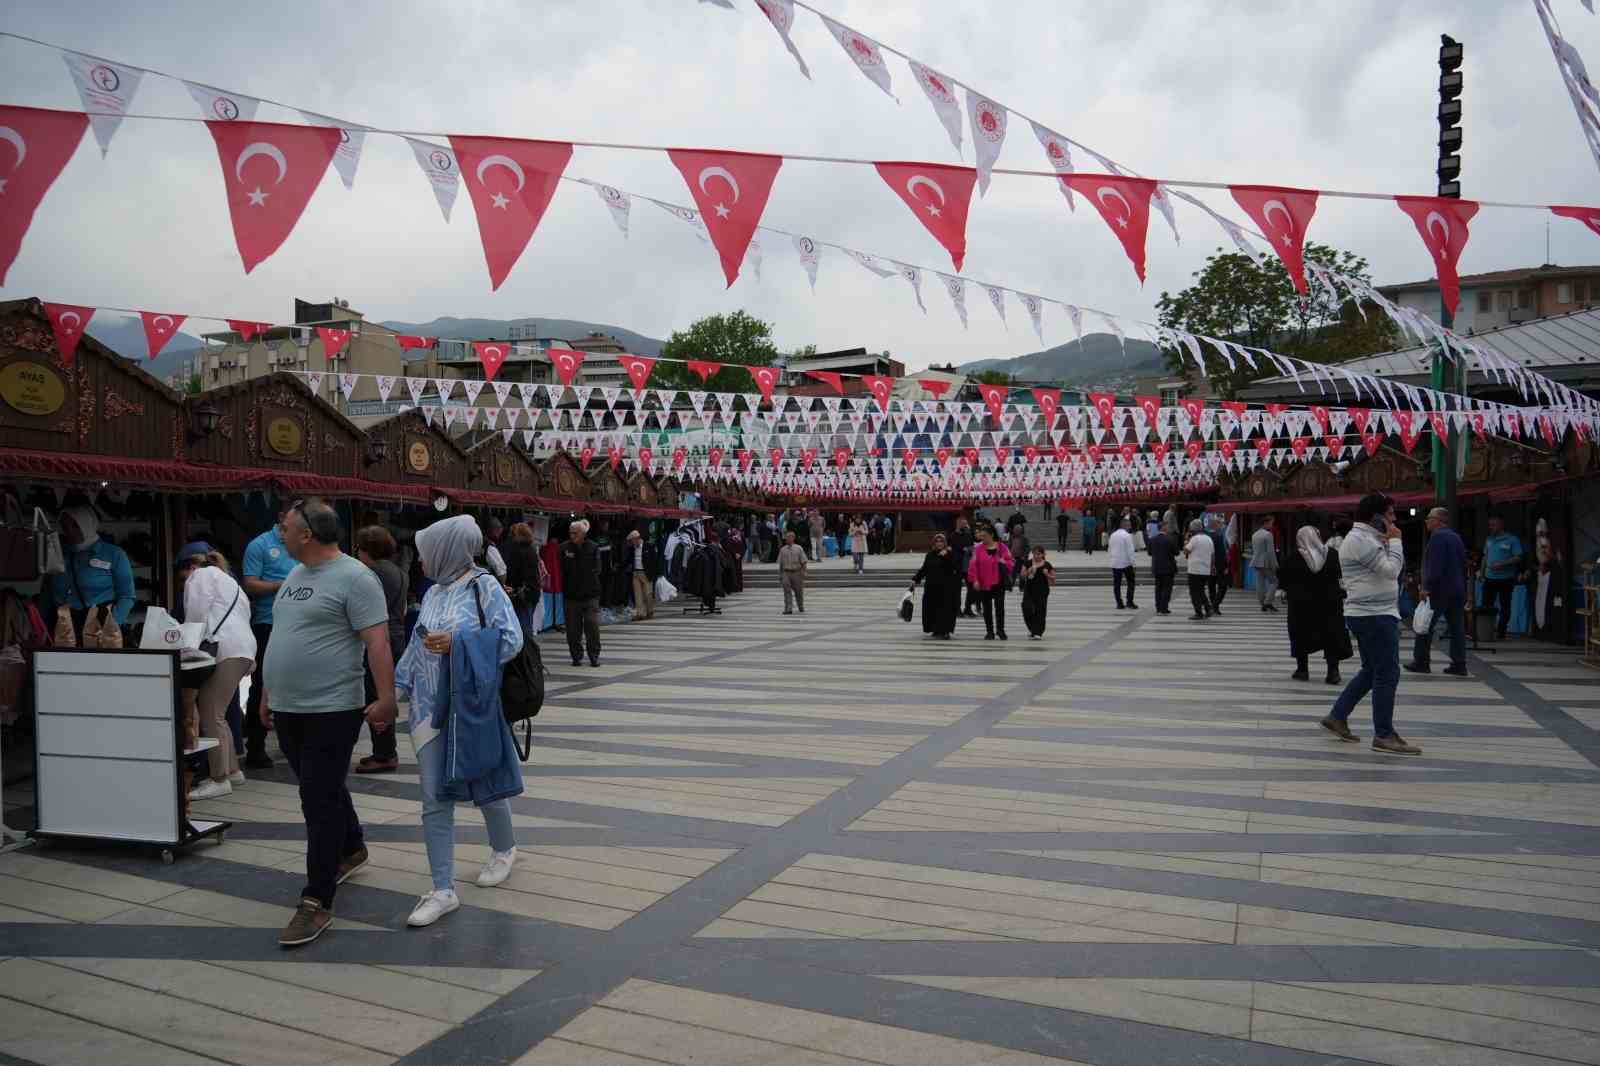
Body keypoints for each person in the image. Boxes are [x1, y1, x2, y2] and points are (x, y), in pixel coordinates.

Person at [259, 499, 396, 947]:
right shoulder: (295, 576)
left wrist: (386, 699)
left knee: (315, 800)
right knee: (325, 787)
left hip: (332, 709)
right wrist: (267, 692)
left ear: (307, 535)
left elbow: (377, 643)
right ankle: (352, 847)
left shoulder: (357, 578)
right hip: (290, 707)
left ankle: (316, 900)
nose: (280, 534)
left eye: (286, 528)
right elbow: (283, 635)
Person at [393, 515, 524, 928]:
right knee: (434, 797)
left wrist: (458, 643)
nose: (421, 558)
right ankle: (442, 888)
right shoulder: (432, 592)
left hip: (470, 705)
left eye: (427, 549)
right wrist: (394, 691)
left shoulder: (483, 586)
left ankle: (504, 849)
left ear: (447, 549)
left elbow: (511, 639)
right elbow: (417, 643)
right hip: (427, 708)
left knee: (484, 781)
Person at [1319, 493, 1421, 756]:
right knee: (1387, 673)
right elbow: (1391, 571)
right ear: (1375, 517)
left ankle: (1338, 716)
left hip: (1371, 612)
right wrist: (1397, 542)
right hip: (1374, 614)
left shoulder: (1366, 538)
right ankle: (1384, 734)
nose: (1394, 519)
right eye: (1389, 515)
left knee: (1370, 670)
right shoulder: (1360, 540)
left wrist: (1389, 540)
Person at [176, 543, 255, 801]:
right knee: (218, 713)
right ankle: (232, 771)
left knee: (211, 713)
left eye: (182, 577)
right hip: (243, 649)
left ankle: (218, 779)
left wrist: (187, 647)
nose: (184, 582)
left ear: (189, 567)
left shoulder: (200, 576)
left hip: (225, 650)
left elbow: (195, 615)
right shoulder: (229, 581)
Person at [240, 501, 297, 770]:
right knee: (262, 684)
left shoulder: (305, 542)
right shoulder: (260, 545)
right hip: (268, 623)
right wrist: (281, 586)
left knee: (296, 684)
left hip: (301, 624)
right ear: (282, 516)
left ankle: (292, 742)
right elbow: (249, 583)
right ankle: (256, 748)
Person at [353, 525, 408, 774]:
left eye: (359, 548)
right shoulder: (399, 572)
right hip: (397, 635)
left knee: (376, 695)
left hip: (380, 638)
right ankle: (384, 750)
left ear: (367, 550)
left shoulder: (372, 574)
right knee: (382, 692)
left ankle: (385, 753)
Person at [48, 504, 134, 647]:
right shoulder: (60, 555)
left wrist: (112, 625)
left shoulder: (113, 554)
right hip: (68, 625)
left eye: (75, 525)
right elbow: (51, 594)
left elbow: (127, 596)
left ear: (86, 524)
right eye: (65, 526)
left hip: (103, 623)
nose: (69, 530)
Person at [1279, 524, 1347, 684]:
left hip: (1301, 606)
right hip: (1329, 604)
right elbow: (1340, 576)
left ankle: (1302, 670)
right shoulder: (1332, 555)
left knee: (1300, 635)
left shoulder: (1293, 558)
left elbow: (1284, 580)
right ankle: (1333, 672)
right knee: (1331, 636)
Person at [1407, 507, 1468, 676]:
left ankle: (1421, 661)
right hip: (1456, 590)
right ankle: (1459, 663)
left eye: (1429, 518)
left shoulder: (1438, 537)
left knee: (1425, 624)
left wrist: (1426, 587)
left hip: (1440, 590)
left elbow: (1435, 566)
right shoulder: (1456, 537)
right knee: (1457, 628)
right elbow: (1463, 565)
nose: (1426, 521)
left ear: (1438, 520)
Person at [559, 519, 601, 667]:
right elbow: (561, 569)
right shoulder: (564, 548)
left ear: (583, 534)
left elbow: (598, 569)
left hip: (590, 595)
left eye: (575, 533)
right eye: (570, 533)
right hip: (571, 596)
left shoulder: (593, 547)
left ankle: (594, 655)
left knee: (592, 625)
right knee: (572, 629)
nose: (572, 535)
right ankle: (576, 656)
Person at [967, 523, 1014, 640]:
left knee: (999, 607)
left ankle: (1000, 630)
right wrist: (975, 580)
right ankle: (989, 631)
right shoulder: (978, 549)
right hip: (984, 583)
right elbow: (973, 565)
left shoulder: (1002, 547)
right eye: (981, 536)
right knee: (986, 608)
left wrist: (1004, 562)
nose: (983, 538)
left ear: (991, 535)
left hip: (998, 582)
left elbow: (1011, 561)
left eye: (985, 536)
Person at [909, 532, 961, 639]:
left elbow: (954, 567)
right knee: (932, 609)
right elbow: (924, 569)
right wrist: (915, 579)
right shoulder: (930, 555)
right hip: (931, 588)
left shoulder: (949, 554)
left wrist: (945, 556)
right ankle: (936, 629)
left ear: (944, 543)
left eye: (941, 541)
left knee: (945, 610)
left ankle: (945, 631)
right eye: (937, 541)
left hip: (946, 588)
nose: (939, 543)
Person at [1481, 514, 1524, 639]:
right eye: (1490, 525)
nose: (1491, 527)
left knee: (1505, 605)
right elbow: (1485, 556)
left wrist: (1502, 564)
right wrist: (1482, 572)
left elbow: (1518, 557)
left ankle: (1501, 630)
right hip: (1490, 578)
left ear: (1501, 525)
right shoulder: (1489, 539)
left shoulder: (1512, 539)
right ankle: (1486, 630)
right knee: (1486, 605)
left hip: (1506, 578)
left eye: (1493, 525)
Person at [503, 521, 542, 641]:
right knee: (526, 625)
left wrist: (513, 588)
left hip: (522, 594)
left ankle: (528, 655)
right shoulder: (531, 549)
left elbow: (517, 573)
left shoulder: (518, 551)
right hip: (531, 592)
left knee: (523, 628)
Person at [1019, 546, 1056, 639]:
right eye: (1034, 554)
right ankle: (1032, 629)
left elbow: (1053, 581)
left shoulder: (1047, 565)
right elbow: (1022, 575)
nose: (1036, 556)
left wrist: (1047, 574)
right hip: (1029, 590)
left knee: (1040, 611)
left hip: (1042, 591)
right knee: (1026, 607)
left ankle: (1038, 632)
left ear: (1043, 554)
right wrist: (1029, 571)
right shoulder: (1028, 563)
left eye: (1038, 554)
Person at [1183, 520, 1214, 621]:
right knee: (1201, 590)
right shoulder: (1209, 539)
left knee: (1194, 592)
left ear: (1193, 529)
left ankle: (1198, 612)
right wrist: (1212, 567)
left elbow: (1186, 550)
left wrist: (1186, 540)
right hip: (1205, 570)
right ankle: (1208, 608)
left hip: (1194, 570)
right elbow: (1212, 555)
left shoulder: (1194, 539)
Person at [625, 529, 658, 621]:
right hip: (636, 572)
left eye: (632, 541)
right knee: (638, 594)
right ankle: (640, 613)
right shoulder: (632, 548)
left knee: (648, 593)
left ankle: (650, 611)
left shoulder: (649, 546)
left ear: (637, 538)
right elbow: (628, 559)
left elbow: (654, 561)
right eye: (631, 541)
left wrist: (655, 574)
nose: (632, 543)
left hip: (646, 573)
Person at [1147, 521, 1179, 615]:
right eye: (1167, 526)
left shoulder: (1152, 539)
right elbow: (1176, 552)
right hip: (1168, 568)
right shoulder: (1170, 539)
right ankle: (1164, 607)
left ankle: (1158, 608)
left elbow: (1149, 553)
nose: (1168, 528)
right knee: (1167, 588)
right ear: (1164, 528)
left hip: (1157, 567)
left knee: (1158, 588)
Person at [1108, 516, 1138, 610]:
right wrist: (1134, 563)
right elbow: (1130, 551)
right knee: (1131, 583)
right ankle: (1129, 601)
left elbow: (1110, 549)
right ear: (1125, 525)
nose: (1130, 527)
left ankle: (1119, 603)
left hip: (1115, 563)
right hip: (1126, 563)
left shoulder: (1113, 535)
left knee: (1117, 584)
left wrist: (1112, 559)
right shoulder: (1127, 535)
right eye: (1129, 525)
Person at [1252, 517, 1280, 613]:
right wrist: (1275, 564)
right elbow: (1270, 552)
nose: (1272, 525)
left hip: (1256, 562)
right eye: (1271, 523)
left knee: (1260, 583)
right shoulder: (1268, 535)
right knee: (1274, 582)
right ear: (1266, 523)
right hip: (1266, 562)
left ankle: (1262, 603)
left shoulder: (1255, 534)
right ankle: (1268, 602)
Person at [952, 516, 978, 617]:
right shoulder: (953, 535)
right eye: (963, 524)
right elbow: (953, 548)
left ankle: (968, 608)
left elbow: (973, 545)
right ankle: (957, 609)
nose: (965, 526)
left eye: (966, 524)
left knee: (971, 589)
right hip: (958, 566)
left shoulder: (969, 535)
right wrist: (963, 549)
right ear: (958, 524)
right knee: (957, 590)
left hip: (969, 566)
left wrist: (970, 549)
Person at [778, 530, 807, 615]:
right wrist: (780, 575)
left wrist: (804, 572)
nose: (787, 539)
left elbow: (804, 561)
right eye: (786, 537)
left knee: (799, 592)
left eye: (789, 537)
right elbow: (781, 564)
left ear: (793, 538)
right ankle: (788, 608)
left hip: (797, 572)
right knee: (787, 591)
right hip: (786, 573)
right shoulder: (782, 550)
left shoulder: (799, 548)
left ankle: (800, 606)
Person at [1206, 515, 1230, 615]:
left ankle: (1213, 605)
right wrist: (1226, 566)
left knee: (1211, 586)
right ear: (1215, 525)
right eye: (1219, 523)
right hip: (1219, 565)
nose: (1221, 525)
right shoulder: (1218, 536)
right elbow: (1221, 553)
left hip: (1209, 565)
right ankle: (1215, 605)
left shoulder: (1207, 536)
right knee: (1223, 586)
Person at [482, 516, 508, 583]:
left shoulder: (479, 541)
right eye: (499, 528)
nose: (501, 531)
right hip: (490, 585)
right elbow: (501, 572)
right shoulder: (489, 547)